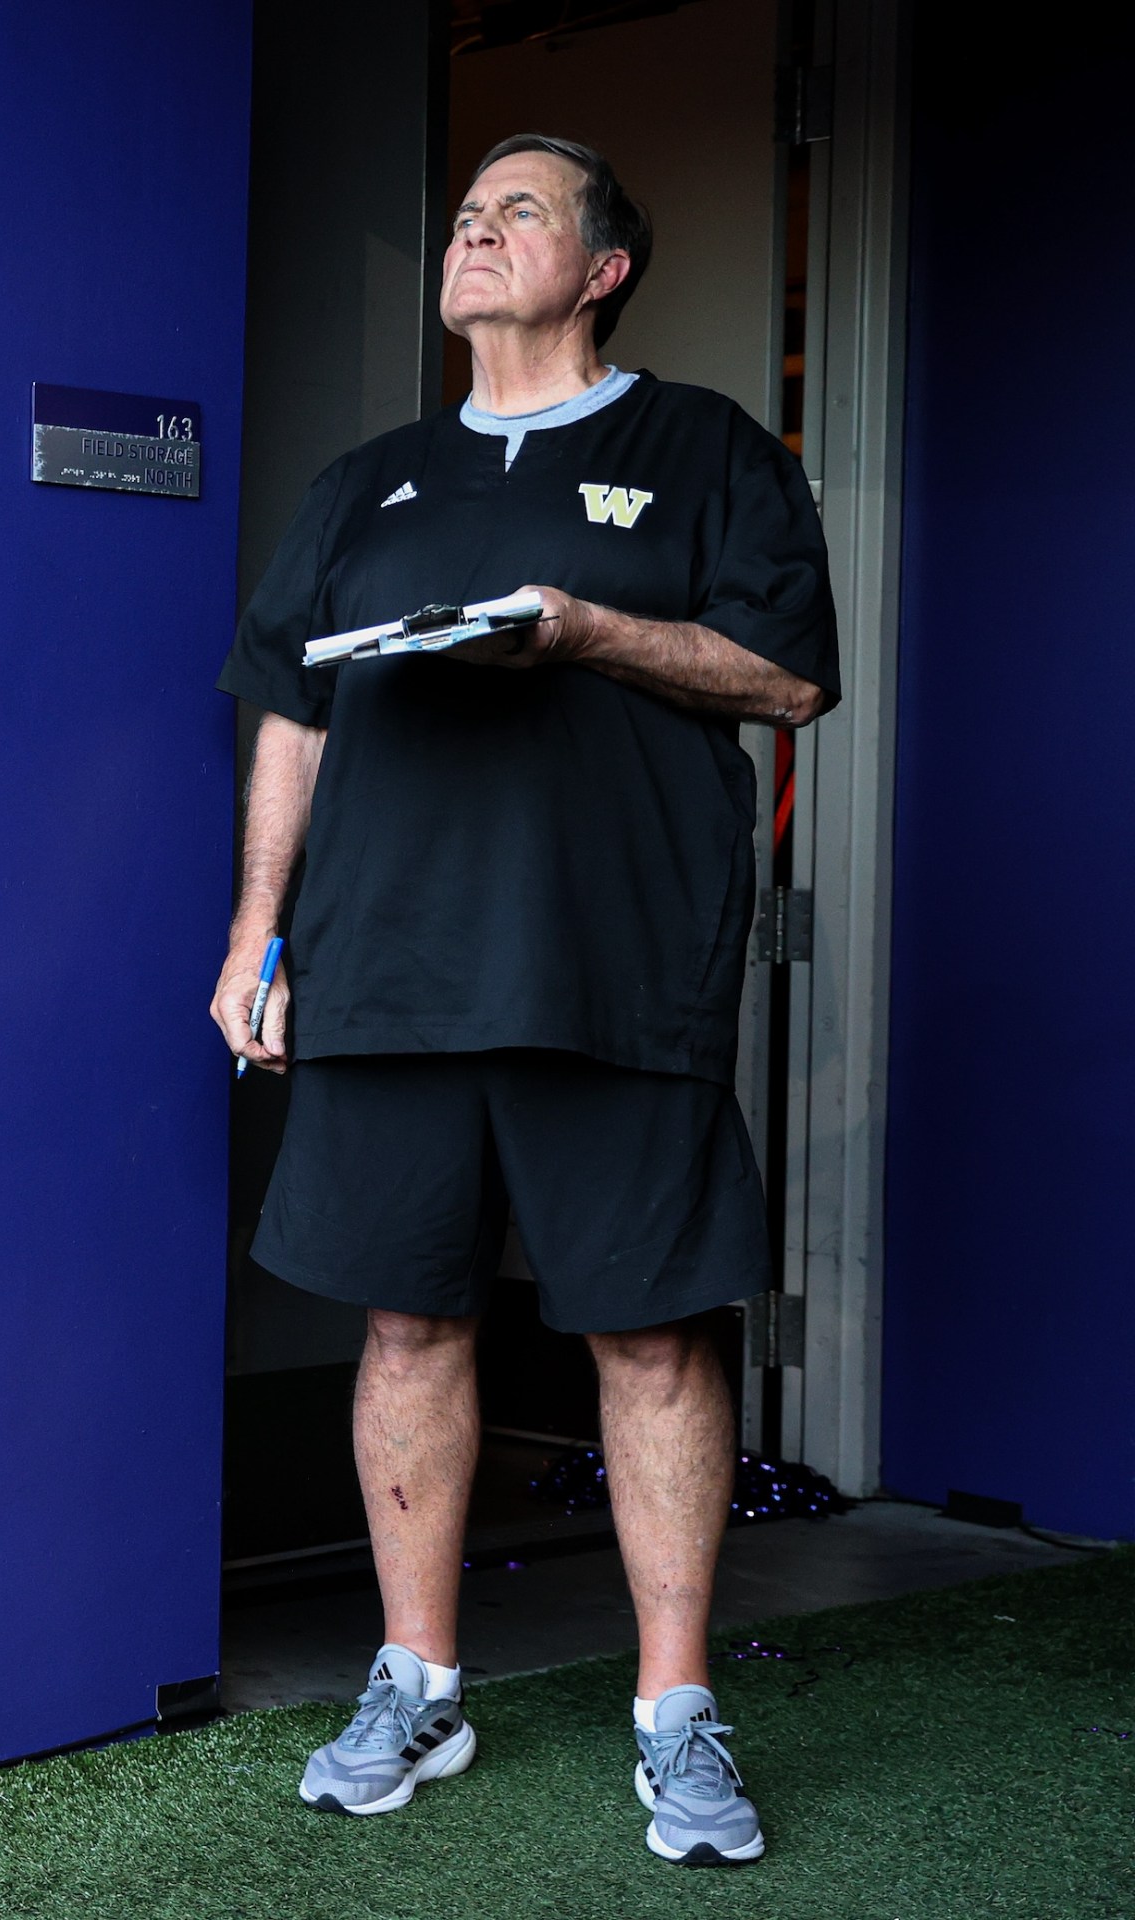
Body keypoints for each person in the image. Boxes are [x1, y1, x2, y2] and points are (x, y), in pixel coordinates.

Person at [211, 133, 836, 1867]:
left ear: (604, 265)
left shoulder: (704, 447)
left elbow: (788, 675)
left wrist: (584, 628)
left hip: (617, 973)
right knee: (406, 1325)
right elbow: (291, 717)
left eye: (520, 215)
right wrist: (259, 930)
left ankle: (677, 1705)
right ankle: (417, 1678)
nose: (475, 235)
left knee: (648, 1333)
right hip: (390, 977)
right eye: (467, 215)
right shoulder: (367, 481)